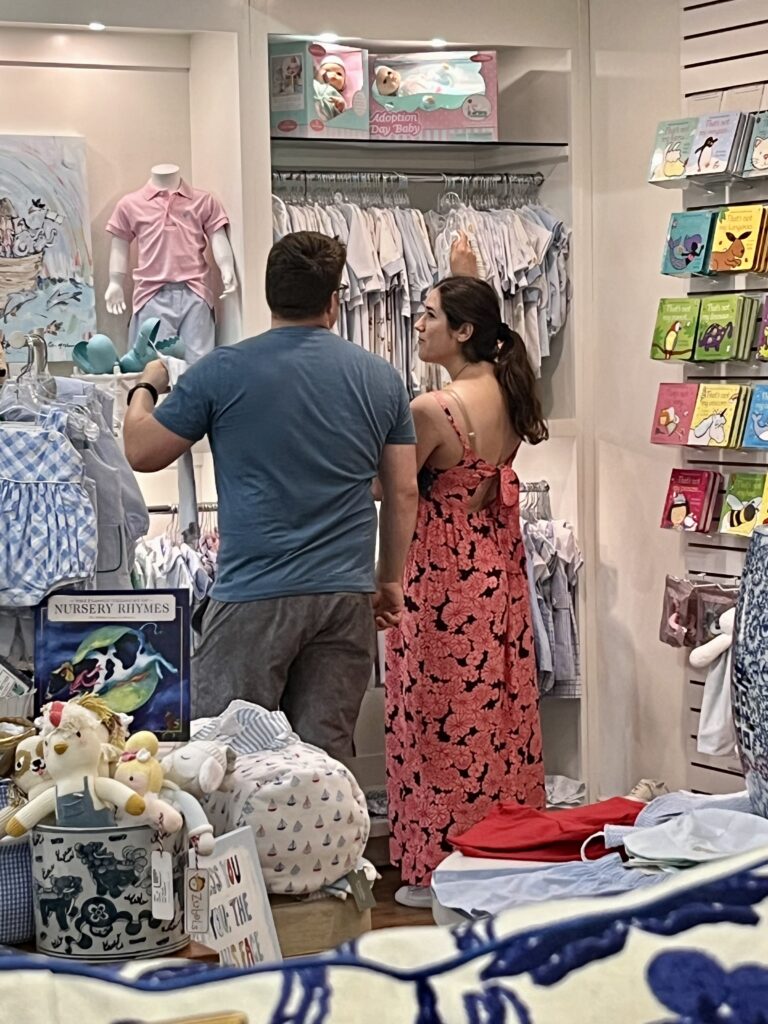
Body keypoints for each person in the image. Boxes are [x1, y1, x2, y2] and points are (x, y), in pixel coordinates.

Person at [123, 230, 418, 761]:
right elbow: (402, 489)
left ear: (268, 296)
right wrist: (388, 578)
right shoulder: (382, 379)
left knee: (221, 757)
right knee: (321, 768)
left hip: (254, 595)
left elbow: (142, 451)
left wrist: (144, 385)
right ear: (333, 302)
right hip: (344, 596)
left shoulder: (222, 371)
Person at [385, 273, 548, 908]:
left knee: (434, 715)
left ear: (463, 331)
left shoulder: (433, 409)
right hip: (496, 566)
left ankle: (438, 864)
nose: (418, 325)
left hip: (439, 576)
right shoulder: (508, 395)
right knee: (495, 710)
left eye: (429, 315)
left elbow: (390, 488)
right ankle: (500, 850)